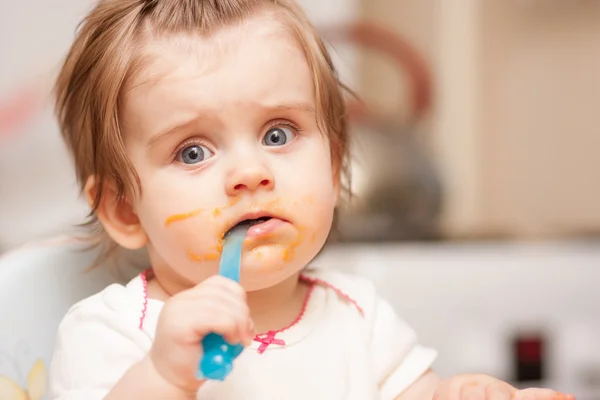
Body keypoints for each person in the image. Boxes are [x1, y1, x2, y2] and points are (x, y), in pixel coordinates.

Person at [49, 0, 574, 399]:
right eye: (192, 152)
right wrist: (164, 376)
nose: (251, 173)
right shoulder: (111, 333)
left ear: (334, 163)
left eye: (278, 134)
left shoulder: (357, 316)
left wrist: (460, 393)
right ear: (123, 209)